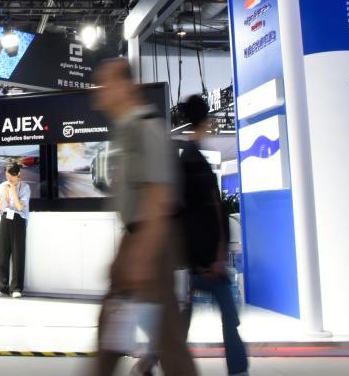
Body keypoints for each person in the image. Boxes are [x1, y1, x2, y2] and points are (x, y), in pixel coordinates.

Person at [93, 58, 197, 376]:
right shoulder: (128, 129)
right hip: (137, 241)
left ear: (125, 86)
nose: (100, 93)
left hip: (151, 244)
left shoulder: (145, 127)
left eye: (106, 84)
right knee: (112, 333)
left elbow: (159, 196)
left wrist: (140, 256)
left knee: (168, 343)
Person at [133, 96, 248, 376]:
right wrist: (208, 259)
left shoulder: (189, 157)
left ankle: (149, 362)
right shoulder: (193, 161)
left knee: (184, 321)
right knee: (218, 319)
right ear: (205, 120)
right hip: (203, 263)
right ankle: (237, 370)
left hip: (198, 261)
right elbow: (200, 214)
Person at [0, 162, 31, 298]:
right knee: (3, 254)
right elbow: (0, 207)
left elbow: (20, 207)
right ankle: (2, 287)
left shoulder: (25, 187)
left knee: (18, 255)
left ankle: (16, 288)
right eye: (7, 176)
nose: (9, 179)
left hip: (19, 220)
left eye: (11, 177)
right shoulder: (2, 186)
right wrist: (5, 192)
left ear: (18, 174)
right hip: (5, 219)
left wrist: (13, 190)